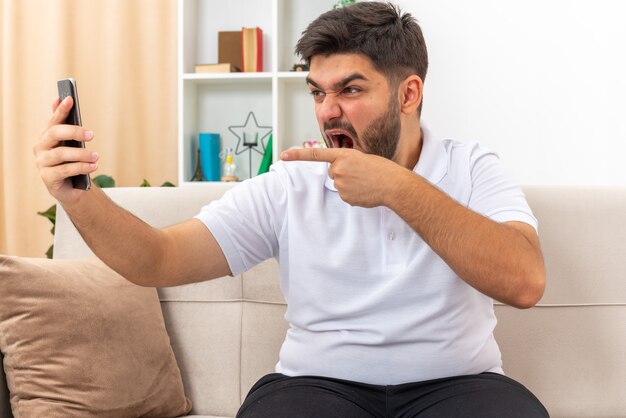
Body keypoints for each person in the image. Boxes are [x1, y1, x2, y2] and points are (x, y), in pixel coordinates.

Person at [34, 2, 549, 417]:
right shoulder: (292, 181)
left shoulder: (472, 166)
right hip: (318, 387)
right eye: (318, 92)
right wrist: (79, 196)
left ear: (408, 93)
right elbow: (157, 259)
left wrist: (398, 188)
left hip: (459, 386)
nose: (328, 111)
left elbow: (524, 282)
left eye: (350, 89)